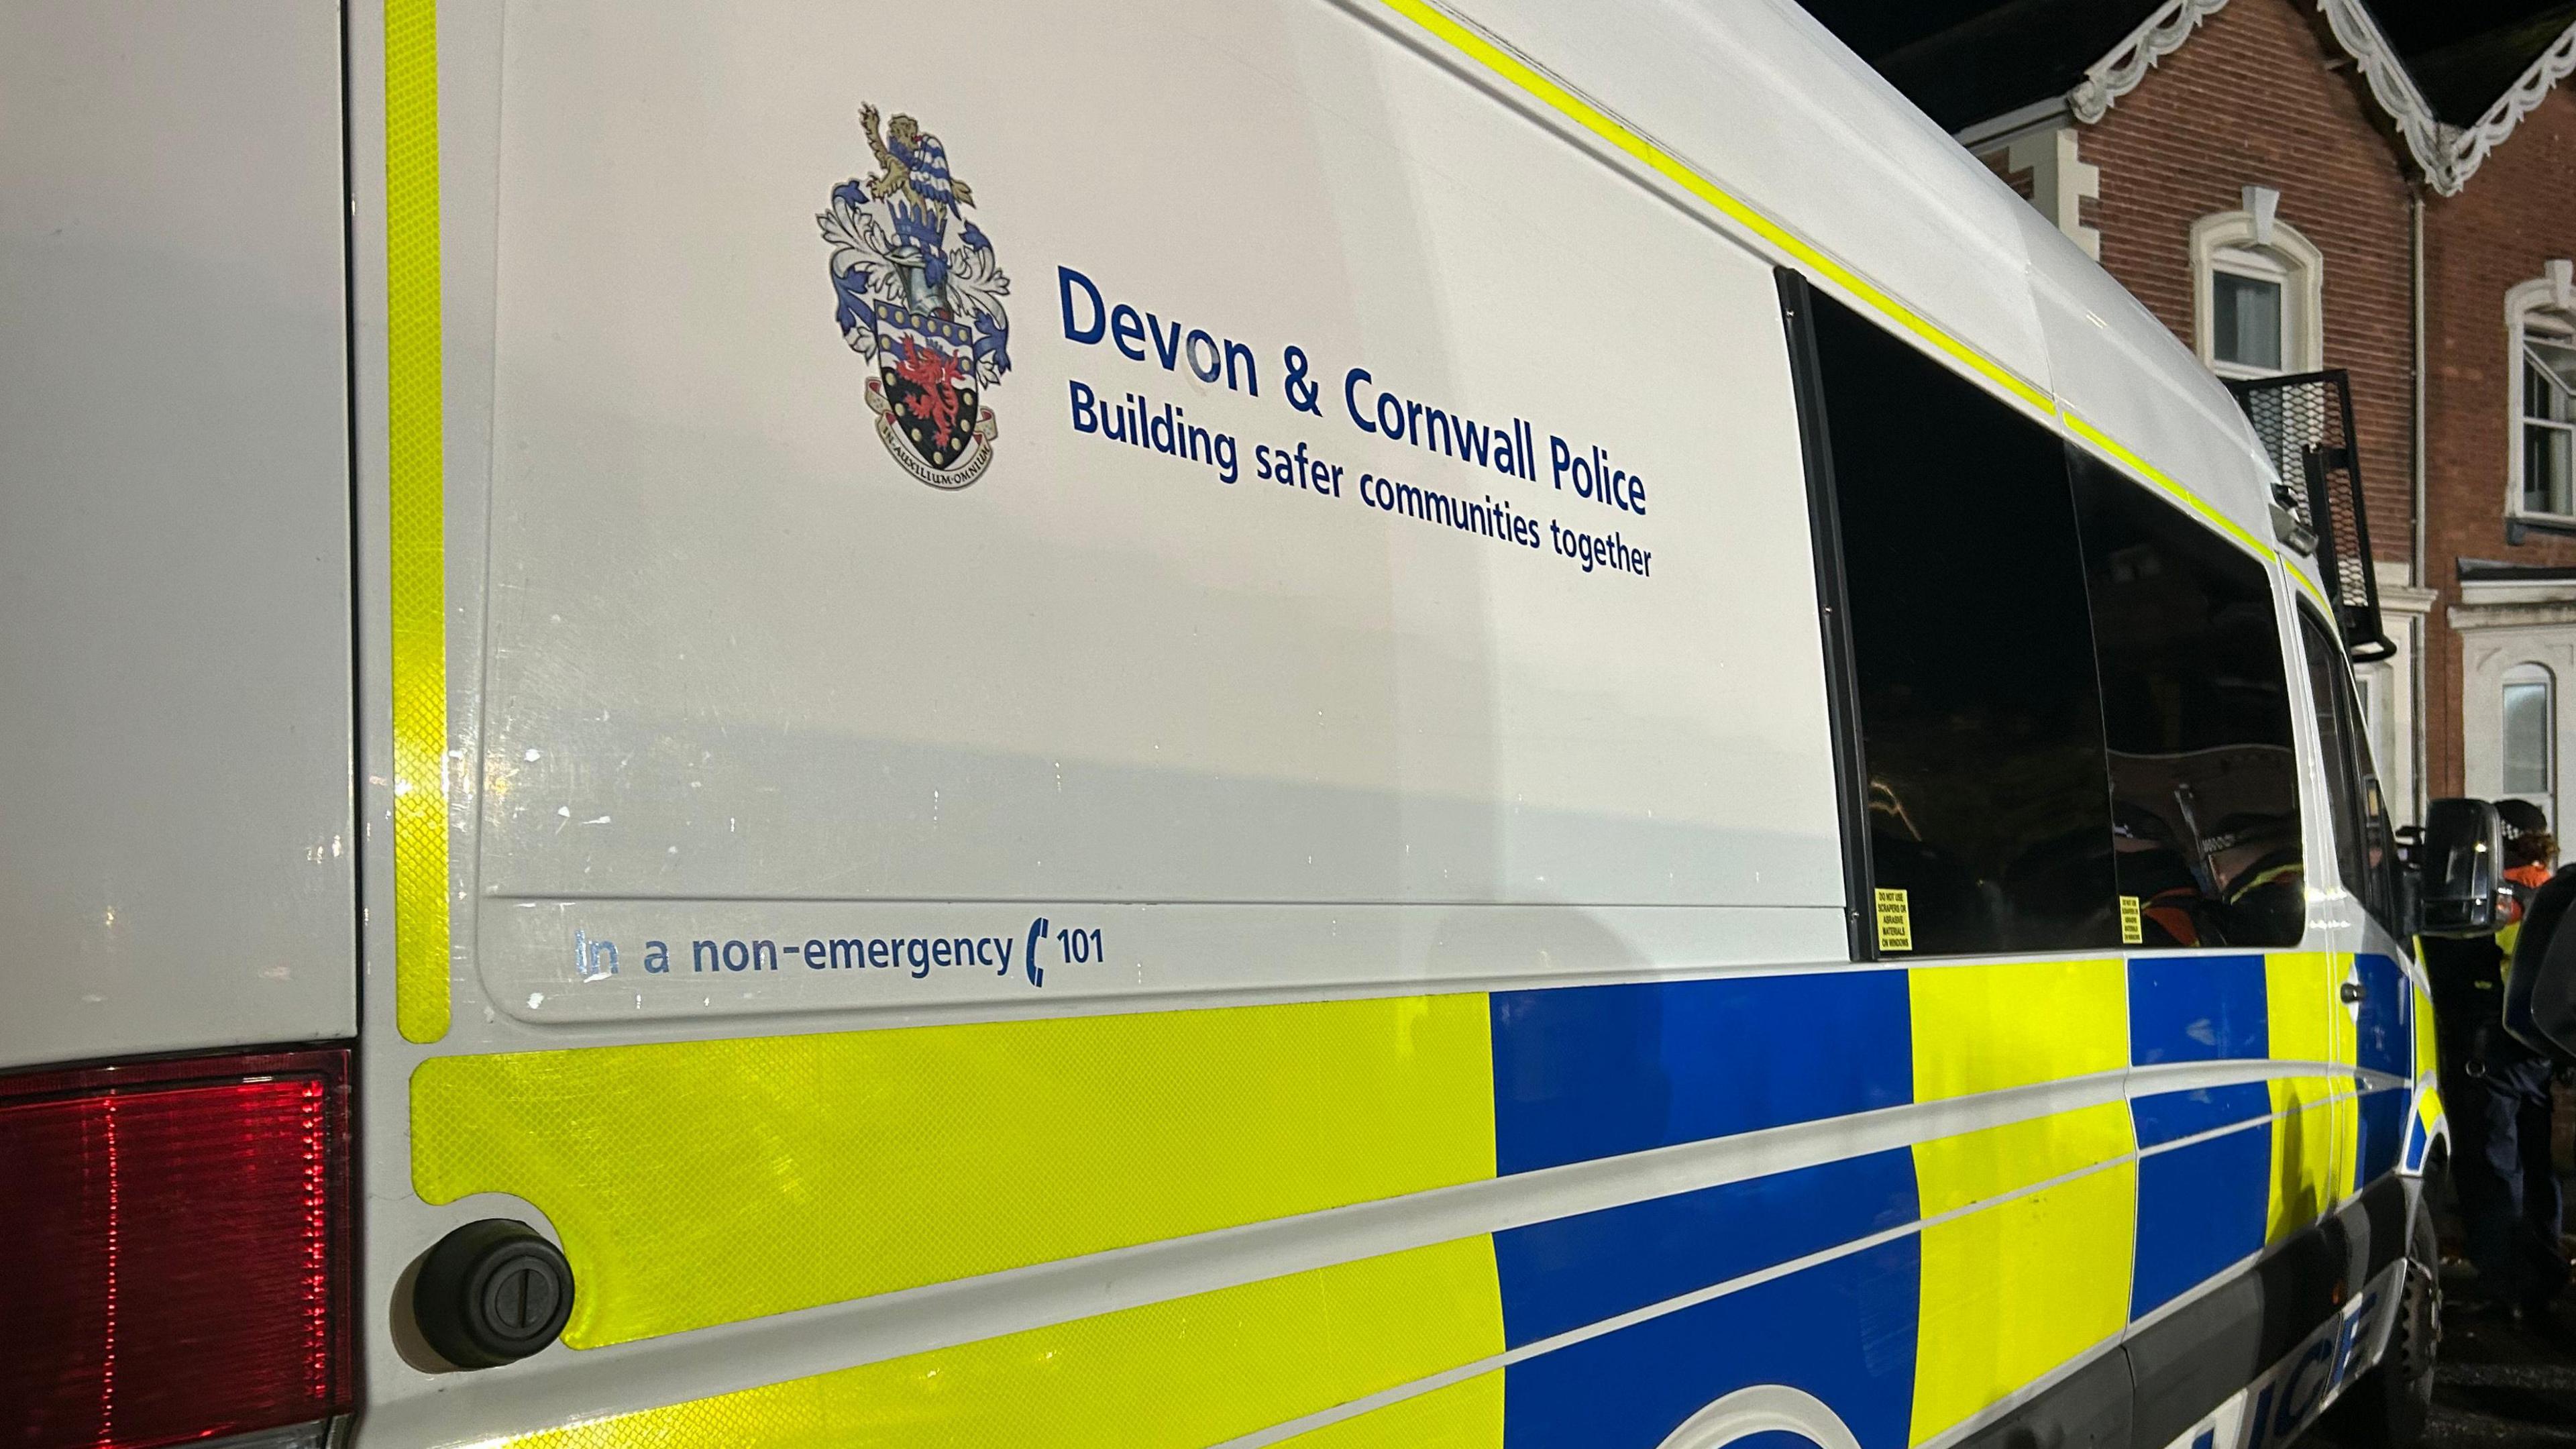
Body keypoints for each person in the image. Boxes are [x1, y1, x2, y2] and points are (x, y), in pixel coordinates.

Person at [2425, 798, 2570, 1320]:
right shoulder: (2551, 890)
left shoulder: (2498, 896)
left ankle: (2508, 1284)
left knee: (2493, 1168)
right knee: (2536, 1167)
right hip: (2538, 1051)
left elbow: (2452, 955)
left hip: (2493, 1050)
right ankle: (2543, 1273)